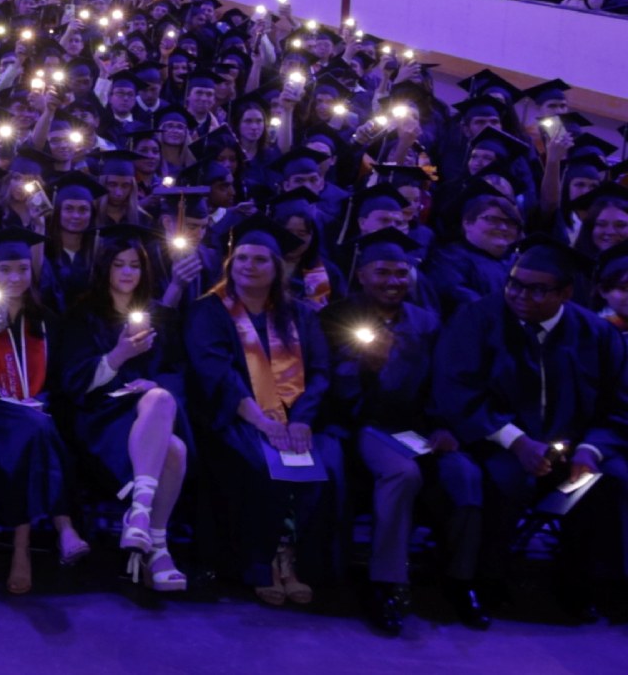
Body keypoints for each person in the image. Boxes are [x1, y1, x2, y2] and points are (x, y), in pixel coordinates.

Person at [430, 235, 628, 623]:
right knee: (505, 481)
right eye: (514, 284)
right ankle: (485, 583)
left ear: (566, 292)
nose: (520, 296)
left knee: (609, 482)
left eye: (537, 290)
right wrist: (516, 442)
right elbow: (457, 390)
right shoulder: (478, 319)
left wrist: (591, 450)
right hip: (497, 442)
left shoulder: (596, 334)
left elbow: (618, 405)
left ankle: (582, 586)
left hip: (574, 448)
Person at [321, 228, 487, 635]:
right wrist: (364, 369)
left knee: (466, 476)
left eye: (401, 273)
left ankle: (460, 580)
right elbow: (325, 388)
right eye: (382, 272)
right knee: (403, 474)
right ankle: (387, 583)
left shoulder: (428, 322)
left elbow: (446, 381)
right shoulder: (334, 317)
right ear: (361, 274)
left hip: (421, 427)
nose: (393, 282)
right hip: (364, 425)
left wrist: (447, 427)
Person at [186, 216, 340, 606]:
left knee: (326, 468)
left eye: (259, 260)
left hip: (297, 419)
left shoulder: (301, 314)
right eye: (241, 259)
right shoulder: (210, 310)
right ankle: (264, 562)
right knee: (259, 465)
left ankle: (295, 560)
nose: (248, 267)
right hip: (234, 416)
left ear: (277, 267)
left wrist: (302, 420)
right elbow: (216, 374)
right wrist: (261, 421)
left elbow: (321, 372)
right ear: (229, 264)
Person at [56, 225, 191, 593]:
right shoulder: (83, 314)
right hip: (101, 419)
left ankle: (143, 521)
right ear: (106, 269)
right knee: (173, 447)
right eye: (119, 265)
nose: (128, 272)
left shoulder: (161, 317)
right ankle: (156, 541)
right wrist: (119, 356)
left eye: (135, 265)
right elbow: (72, 380)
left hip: (151, 419)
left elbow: (176, 373)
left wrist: (153, 385)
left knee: (162, 401)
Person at [0, 226, 88, 594]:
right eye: (6, 270)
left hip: (38, 415)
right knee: (38, 429)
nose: (15, 278)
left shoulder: (48, 321)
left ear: (33, 272)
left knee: (37, 428)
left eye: (22, 270)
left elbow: (60, 381)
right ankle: (64, 527)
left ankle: (21, 552)